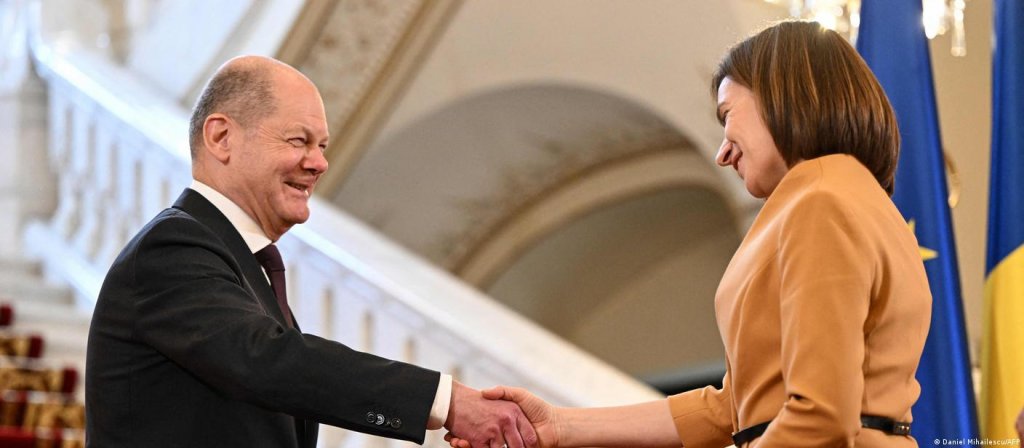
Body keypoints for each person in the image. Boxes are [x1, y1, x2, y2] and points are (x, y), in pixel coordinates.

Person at [448, 20, 932, 448]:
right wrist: (559, 426)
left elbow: (821, 416)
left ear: (782, 96)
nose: (722, 153)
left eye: (727, 115)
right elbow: (731, 409)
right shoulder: (848, 196)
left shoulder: (819, 202)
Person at [85, 55, 537, 448]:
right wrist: (445, 402)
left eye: (321, 146)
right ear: (221, 137)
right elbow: (268, 361)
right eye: (298, 141)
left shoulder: (238, 264)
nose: (319, 163)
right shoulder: (171, 248)